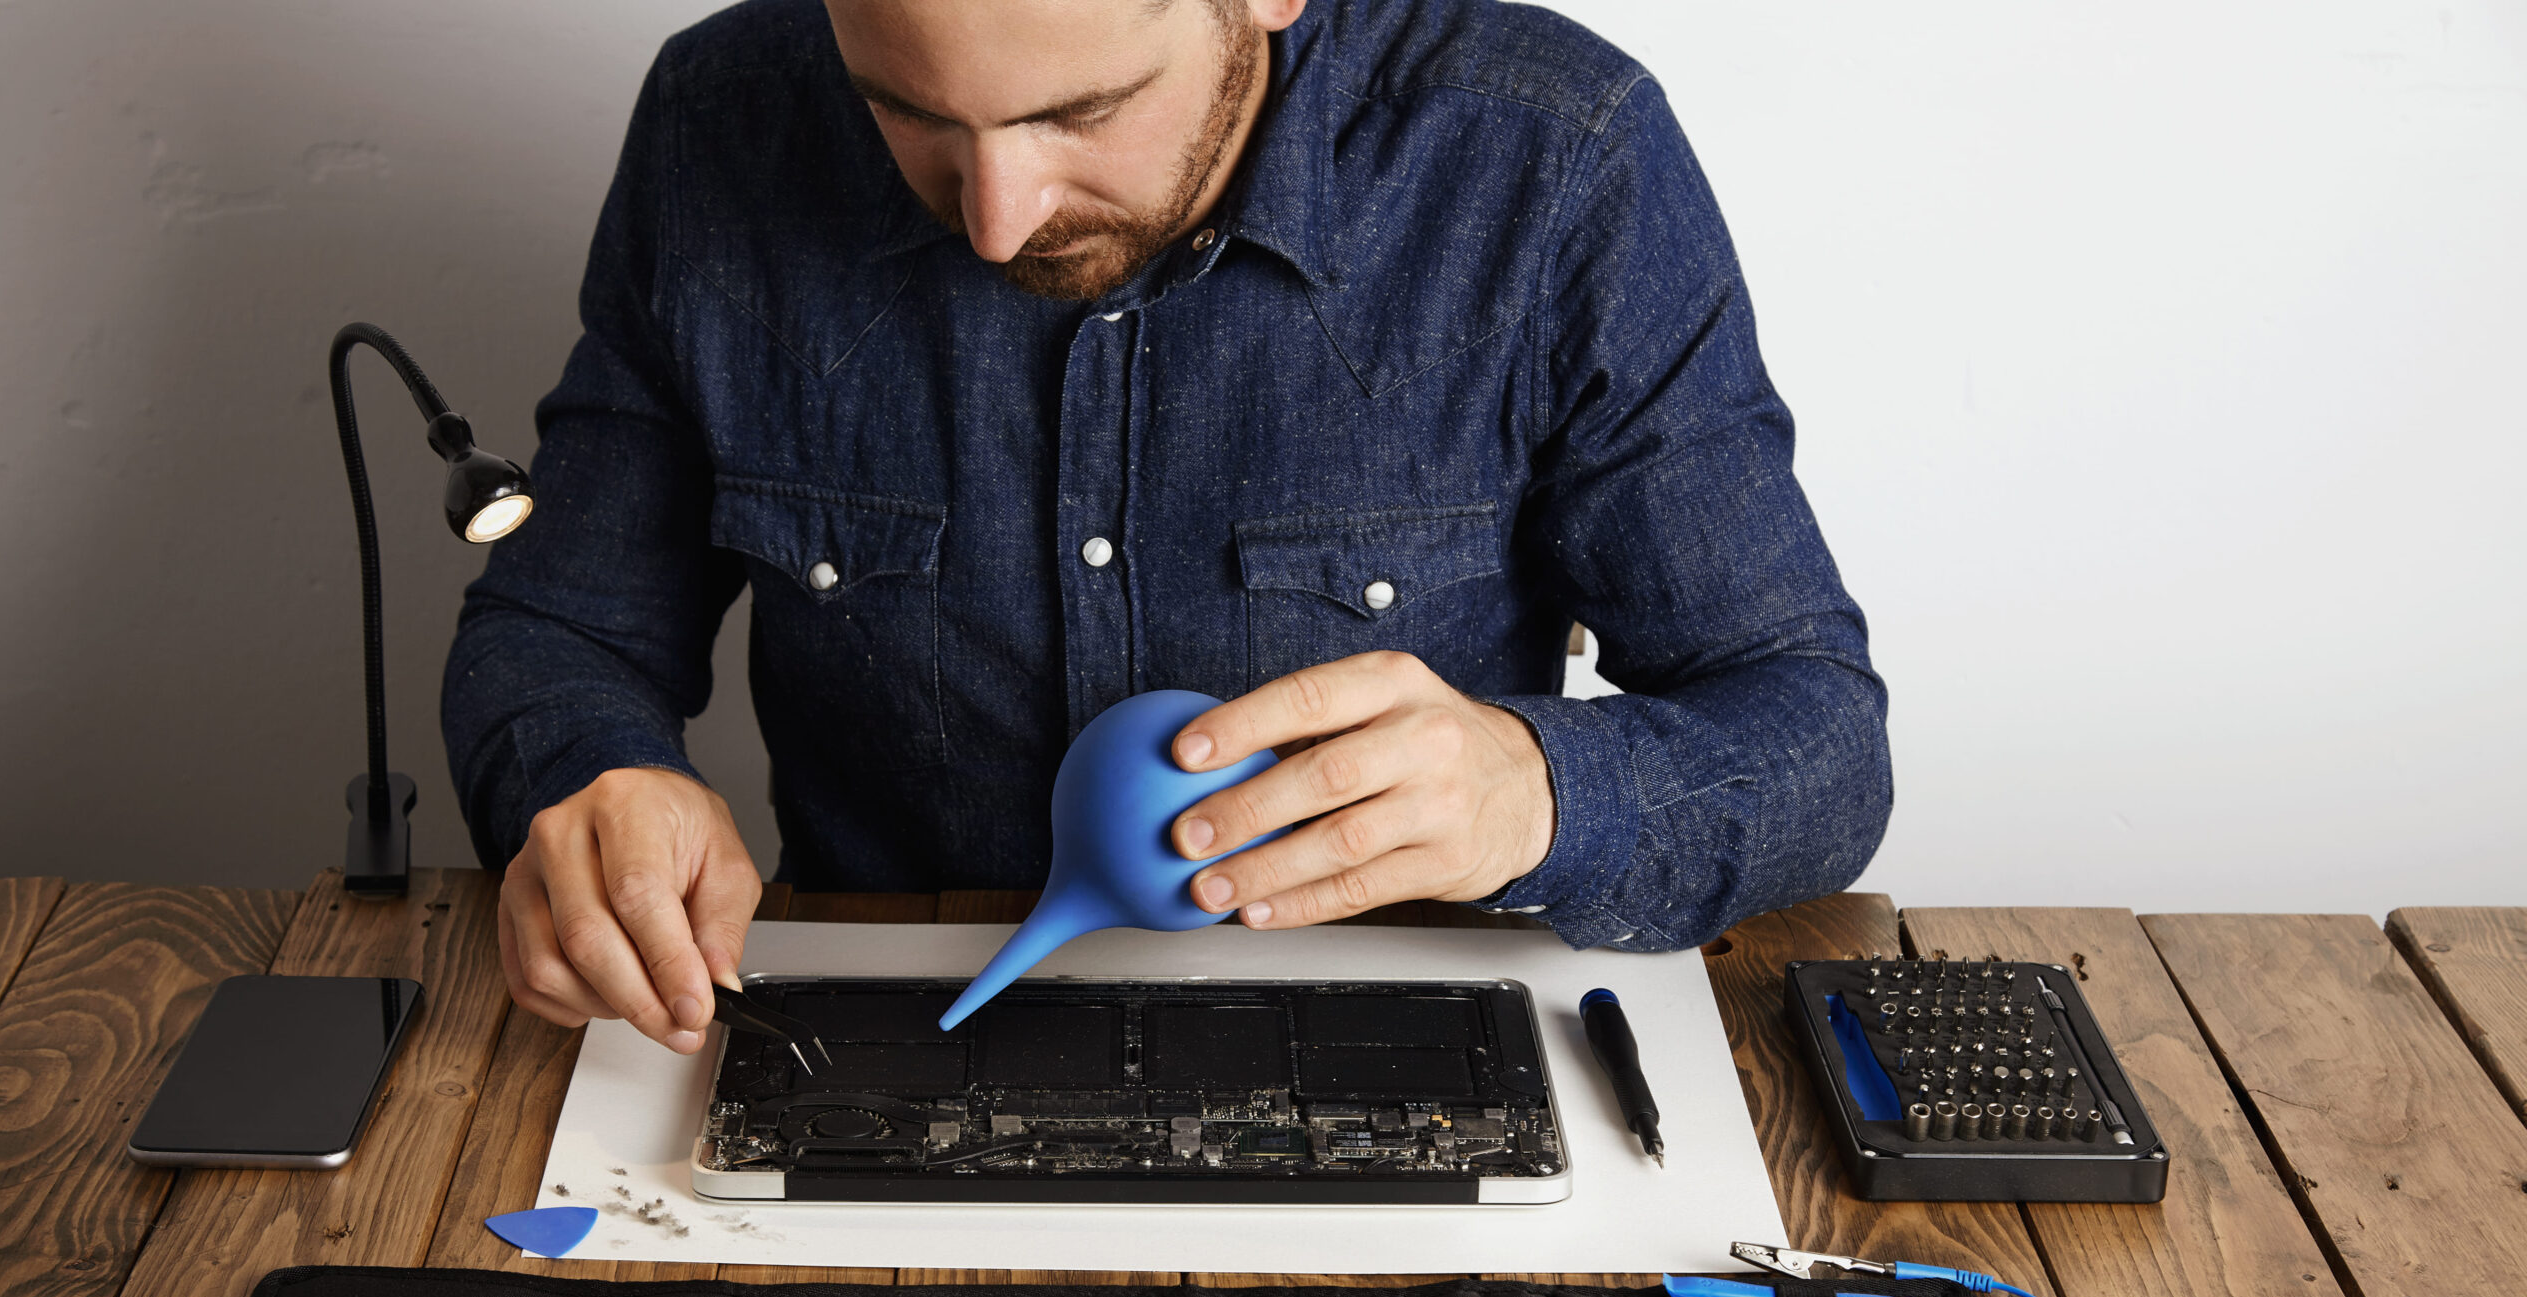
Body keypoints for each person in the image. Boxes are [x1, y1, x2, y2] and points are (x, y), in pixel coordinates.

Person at [443, 0, 1891, 1057]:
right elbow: (558, 632)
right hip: (876, 1044)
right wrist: (596, 780)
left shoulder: (1552, 160)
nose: (996, 221)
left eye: (1078, 115)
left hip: (1396, 1049)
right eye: (912, 115)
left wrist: (1535, 795)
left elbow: (1819, 738)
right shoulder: (719, 125)